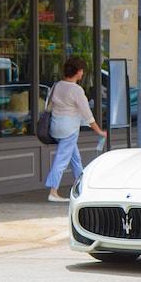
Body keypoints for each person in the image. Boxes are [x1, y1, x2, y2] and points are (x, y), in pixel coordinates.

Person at [45, 57, 106, 202]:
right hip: (69, 130)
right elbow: (88, 115)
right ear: (78, 72)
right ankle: (53, 192)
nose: (83, 73)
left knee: (75, 159)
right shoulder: (76, 90)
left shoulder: (57, 85)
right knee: (61, 160)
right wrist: (99, 131)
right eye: (82, 70)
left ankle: (83, 187)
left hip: (56, 128)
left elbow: (49, 106)